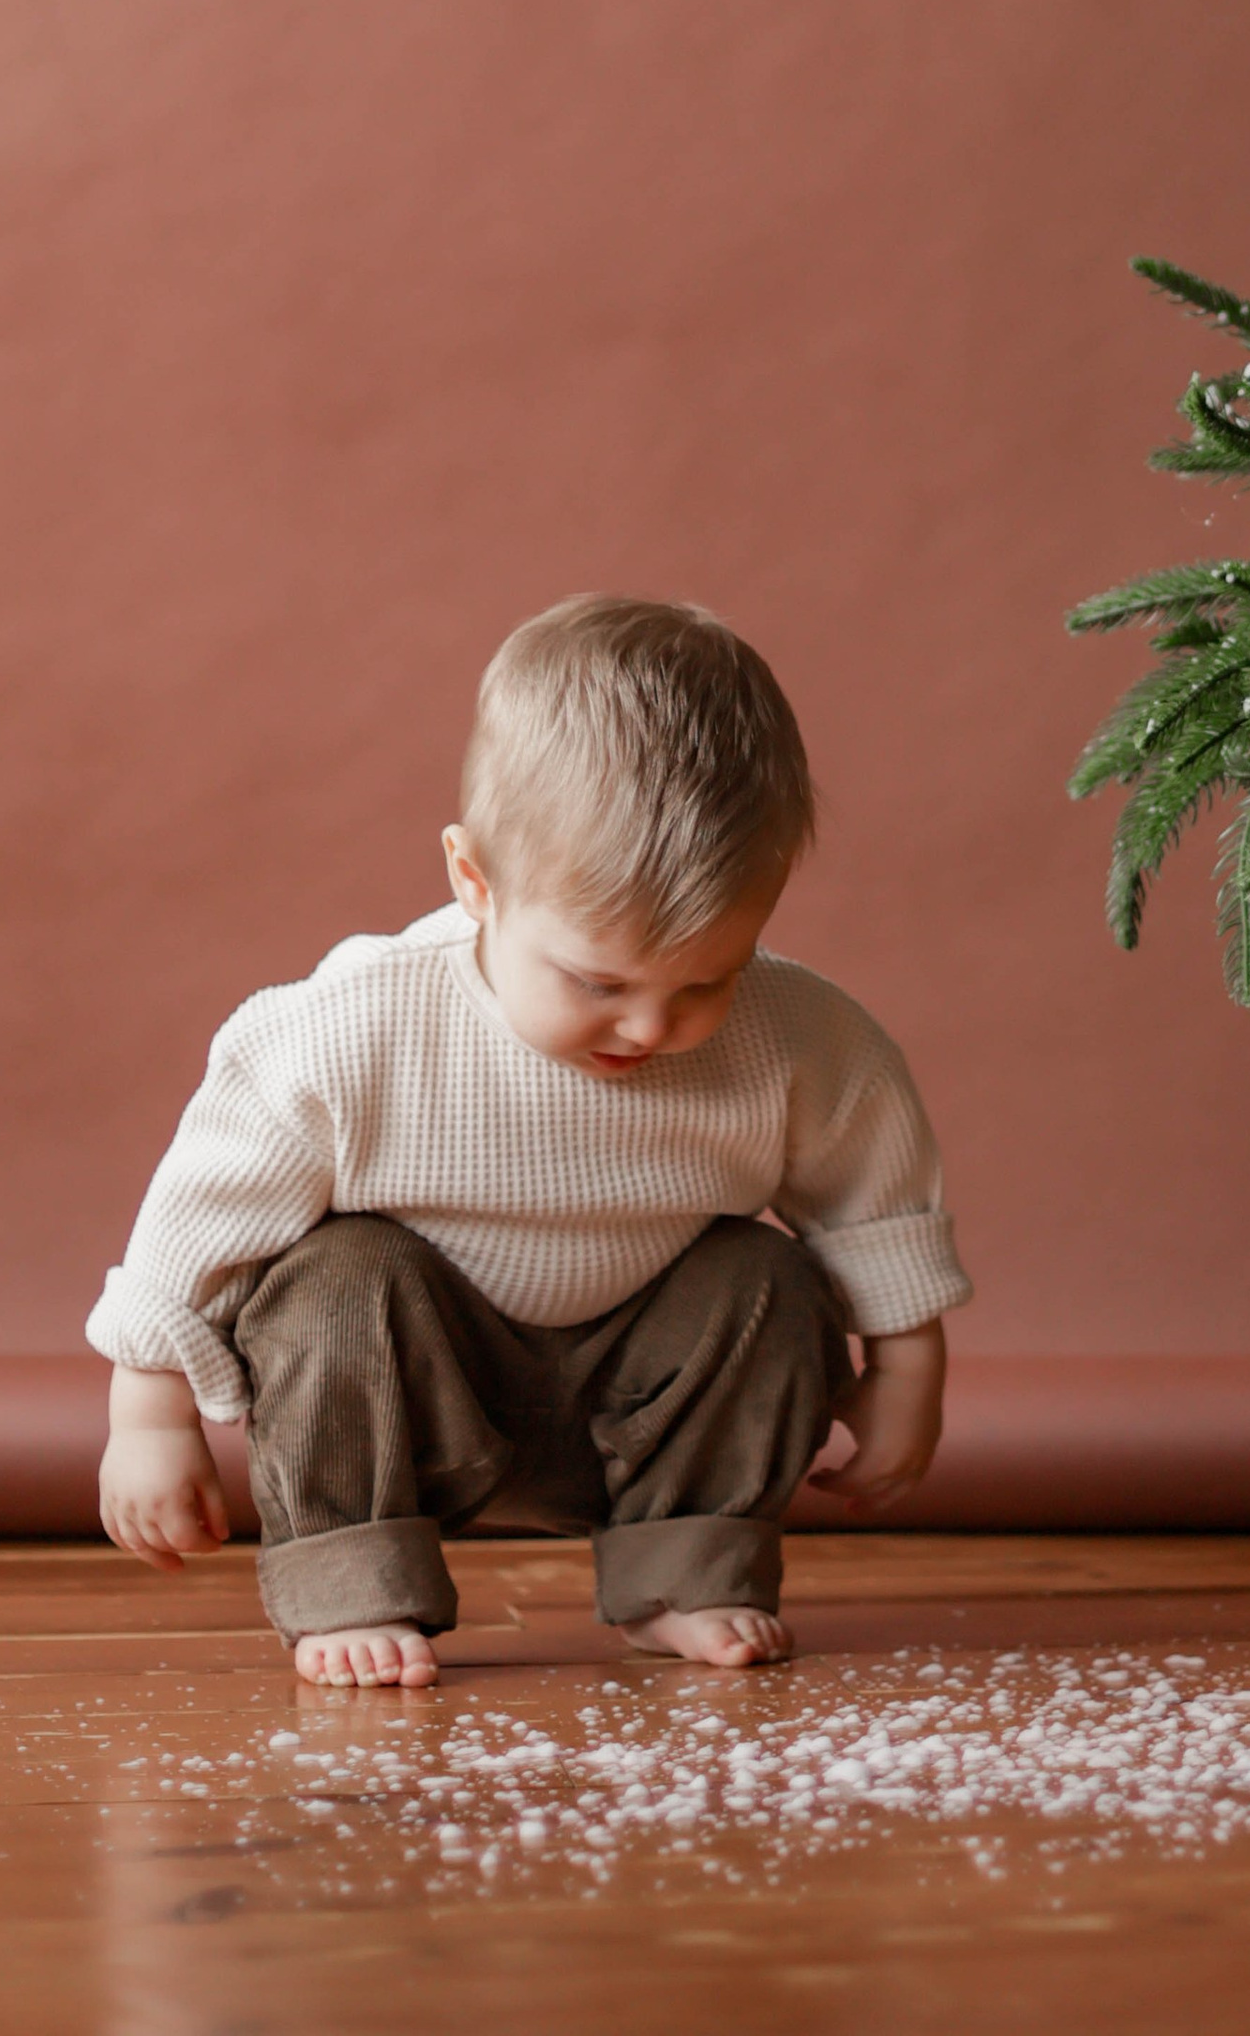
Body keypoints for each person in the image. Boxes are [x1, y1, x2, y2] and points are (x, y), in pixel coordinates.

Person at [89, 594, 966, 1691]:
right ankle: (351, 1583)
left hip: (645, 1402)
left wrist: (907, 1365)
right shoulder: (354, 1027)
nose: (652, 1027)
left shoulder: (794, 1034)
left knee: (768, 1277)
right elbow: (200, 1218)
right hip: (413, 1398)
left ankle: (683, 1575)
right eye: (599, 982)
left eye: (705, 980)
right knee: (328, 1279)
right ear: (475, 883)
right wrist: (150, 1414)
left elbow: (876, 1194)